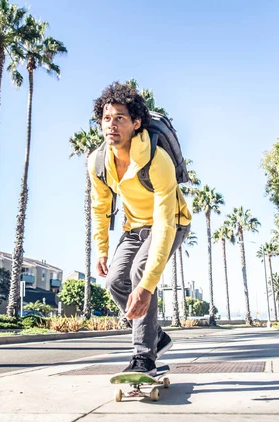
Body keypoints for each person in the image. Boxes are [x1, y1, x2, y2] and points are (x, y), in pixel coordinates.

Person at [88, 82, 192, 375]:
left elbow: (164, 223)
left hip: (171, 223)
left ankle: (144, 356)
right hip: (134, 228)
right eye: (107, 118)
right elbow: (100, 205)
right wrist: (102, 249)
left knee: (139, 276)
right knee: (114, 282)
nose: (112, 125)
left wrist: (146, 287)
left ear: (136, 123)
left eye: (120, 118)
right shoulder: (98, 162)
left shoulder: (157, 161)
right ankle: (155, 336)